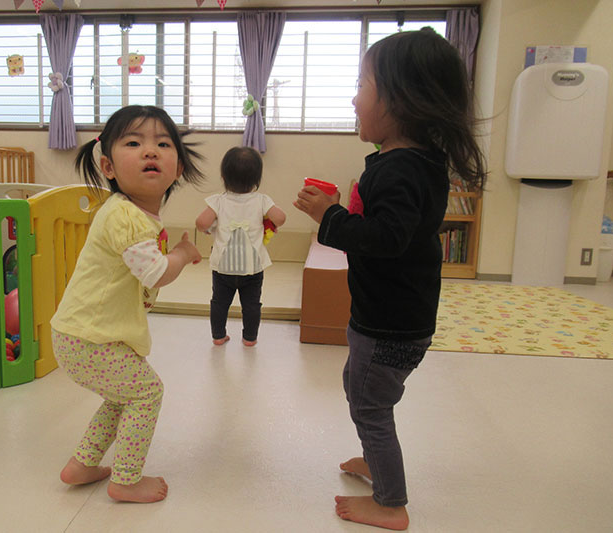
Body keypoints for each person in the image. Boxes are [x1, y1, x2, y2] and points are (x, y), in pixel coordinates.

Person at [294, 28, 486, 531]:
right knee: (361, 392)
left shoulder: (401, 170)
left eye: (362, 83)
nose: (354, 97)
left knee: (371, 406)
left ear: (399, 98)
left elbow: (387, 237)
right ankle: (377, 465)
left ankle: (391, 502)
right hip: (391, 316)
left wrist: (329, 216)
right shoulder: (414, 162)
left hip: (390, 324)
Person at [50, 105, 204, 503]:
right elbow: (155, 273)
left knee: (124, 395)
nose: (150, 151)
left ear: (179, 168)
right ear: (109, 166)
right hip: (89, 338)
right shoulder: (125, 216)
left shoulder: (136, 215)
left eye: (163, 144)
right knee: (146, 393)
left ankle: (83, 464)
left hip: (85, 335)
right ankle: (126, 479)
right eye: (133, 143)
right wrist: (184, 254)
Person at [195, 146, 286, 346]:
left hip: (223, 268)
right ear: (257, 179)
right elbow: (281, 218)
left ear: (223, 176)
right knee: (252, 305)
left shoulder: (218, 201)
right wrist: (267, 221)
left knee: (219, 303)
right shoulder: (262, 200)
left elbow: (201, 222)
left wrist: (210, 228)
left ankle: (218, 336)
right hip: (252, 268)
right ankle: (249, 338)